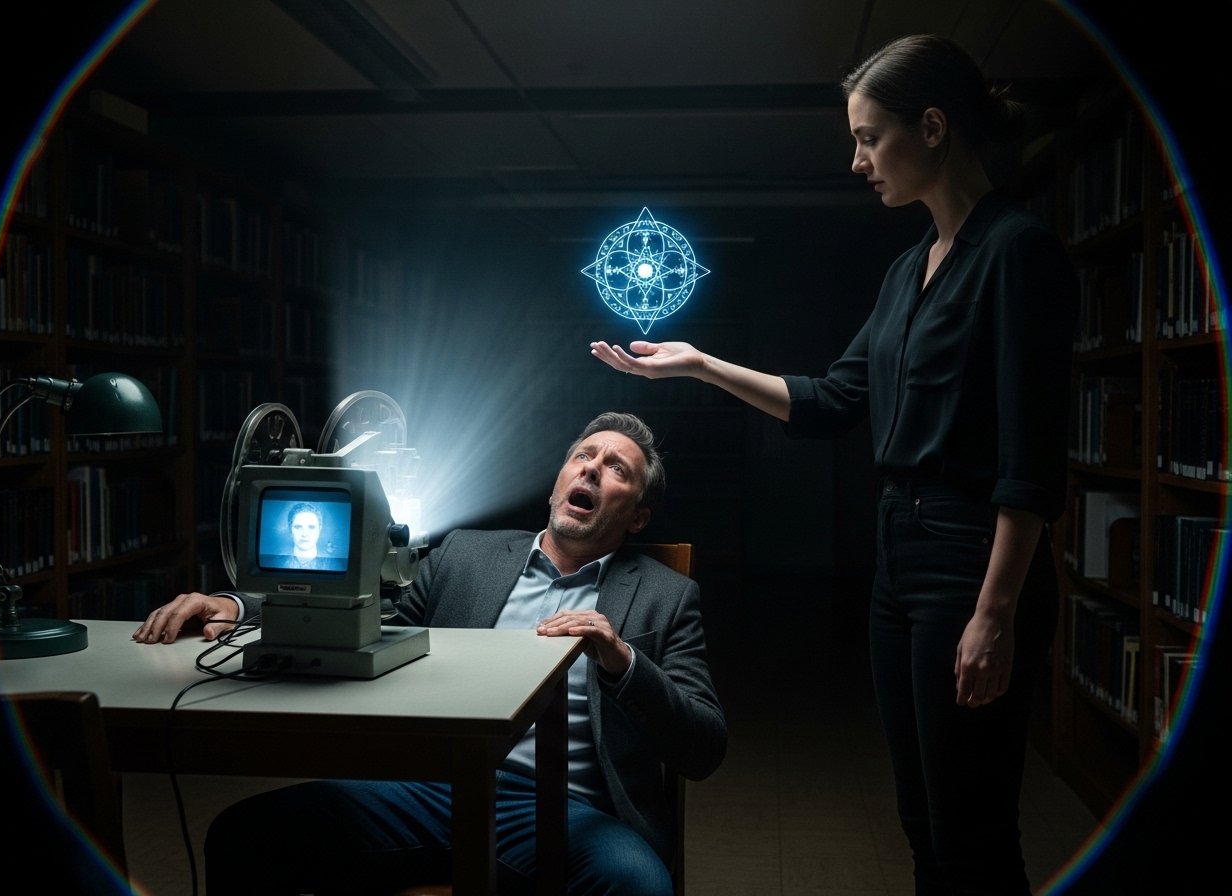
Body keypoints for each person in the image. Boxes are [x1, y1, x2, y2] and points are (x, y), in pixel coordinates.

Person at [591, 35, 1074, 896]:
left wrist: (995, 613)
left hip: (971, 564)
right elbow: (830, 401)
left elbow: (1030, 458)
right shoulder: (906, 272)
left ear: (932, 127)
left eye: (867, 137)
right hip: (900, 563)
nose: (855, 161)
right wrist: (700, 363)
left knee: (972, 826)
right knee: (923, 820)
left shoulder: (1017, 253)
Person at [132, 412, 726, 896]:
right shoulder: (466, 554)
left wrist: (622, 660)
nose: (592, 469)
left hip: (569, 811)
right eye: (583, 457)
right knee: (243, 835)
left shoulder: (666, 595)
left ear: (639, 516)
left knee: (636, 885)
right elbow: (370, 614)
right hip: (429, 790)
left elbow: (703, 747)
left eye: (616, 468)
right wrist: (240, 607)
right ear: (557, 484)